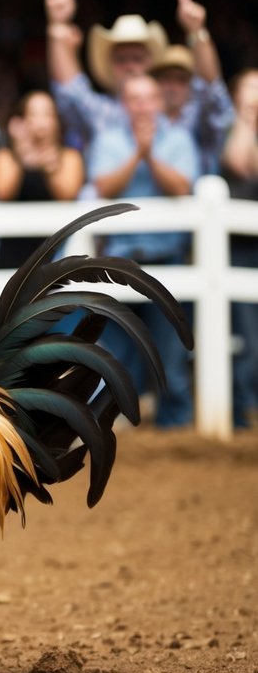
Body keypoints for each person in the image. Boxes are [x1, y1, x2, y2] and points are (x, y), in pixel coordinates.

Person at [88, 74, 199, 428]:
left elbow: (182, 186)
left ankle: (176, 429)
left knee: (170, 353)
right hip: (121, 263)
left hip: (168, 260)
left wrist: (149, 156)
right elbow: (103, 186)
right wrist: (138, 152)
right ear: (124, 104)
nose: (142, 106)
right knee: (116, 353)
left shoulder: (179, 139)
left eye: (148, 98)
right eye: (134, 99)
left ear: (159, 102)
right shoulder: (108, 140)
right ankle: (114, 428)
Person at [44, 0, 227, 151]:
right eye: (121, 59)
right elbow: (70, 93)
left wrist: (197, 31)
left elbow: (211, 95)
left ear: (153, 65)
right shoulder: (102, 113)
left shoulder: (180, 115)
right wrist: (57, 25)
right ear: (110, 66)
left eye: (137, 59)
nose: (130, 66)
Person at [0, 90, 86, 268]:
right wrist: (22, 152)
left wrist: (49, 168)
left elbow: (67, 195)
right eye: (33, 114)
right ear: (20, 121)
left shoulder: (70, 157)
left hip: (58, 257)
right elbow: (1, 193)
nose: (40, 122)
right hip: (11, 256)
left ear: (57, 121)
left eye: (47, 114)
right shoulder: (5, 157)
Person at [221, 68, 258, 428]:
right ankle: (245, 411)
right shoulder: (225, 129)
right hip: (238, 250)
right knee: (248, 339)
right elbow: (240, 164)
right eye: (249, 88)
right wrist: (246, 116)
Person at [149, 43, 234, 175]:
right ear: (155, 82)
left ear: (192, 86)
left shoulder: (200, 116)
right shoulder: (143, 115)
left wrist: (197, 33)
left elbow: (214, 93)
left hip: (199, 192)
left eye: (181, 80)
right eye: (167, 79)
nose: (173, 87)